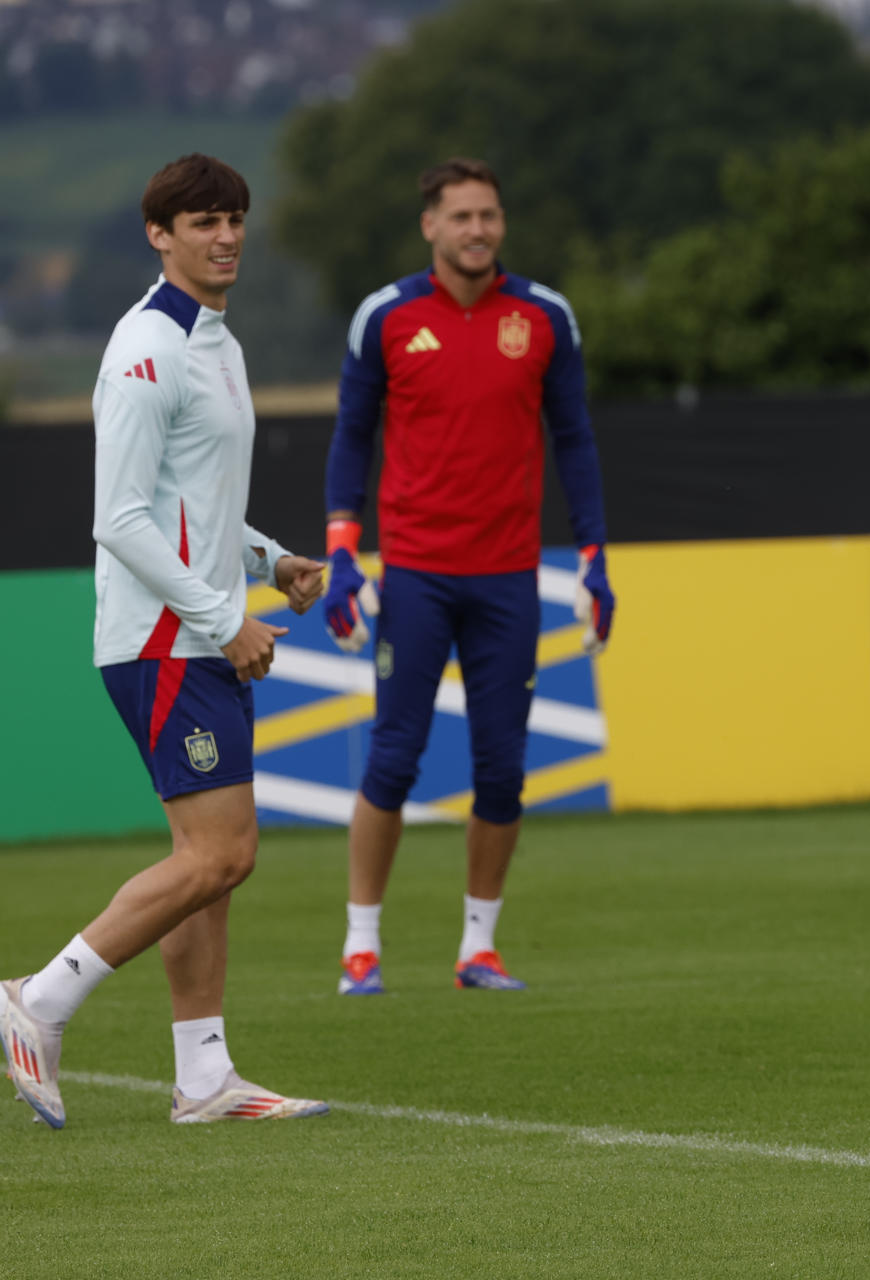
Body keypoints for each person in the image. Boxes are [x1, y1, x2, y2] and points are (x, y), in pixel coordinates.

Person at [2, 154, 330, 1128]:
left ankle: (203, 1077)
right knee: (222, 854)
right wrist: (228, 619)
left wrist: (274, 562)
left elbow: (196, 503)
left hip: (195, 632)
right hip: (163, 640)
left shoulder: (215, 341)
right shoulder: (147, 344)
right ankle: (35, 999)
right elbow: (122, 518)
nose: (224, 236)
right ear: (161, 234)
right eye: (201, 221)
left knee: (208, 857)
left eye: (233, 218)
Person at [322, 158, 614, 996]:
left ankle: (478, 948)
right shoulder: (385, 317)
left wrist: (594, 555)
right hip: (414, 573)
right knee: (394, 759)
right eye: (461, 217)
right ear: (430, 226)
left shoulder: (546, 316)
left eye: (489, 215)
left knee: (502, 768)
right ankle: (361, 946)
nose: (477, 230)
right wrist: (343, 550)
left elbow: (576, 441)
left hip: (508, 580)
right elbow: (351, 437)